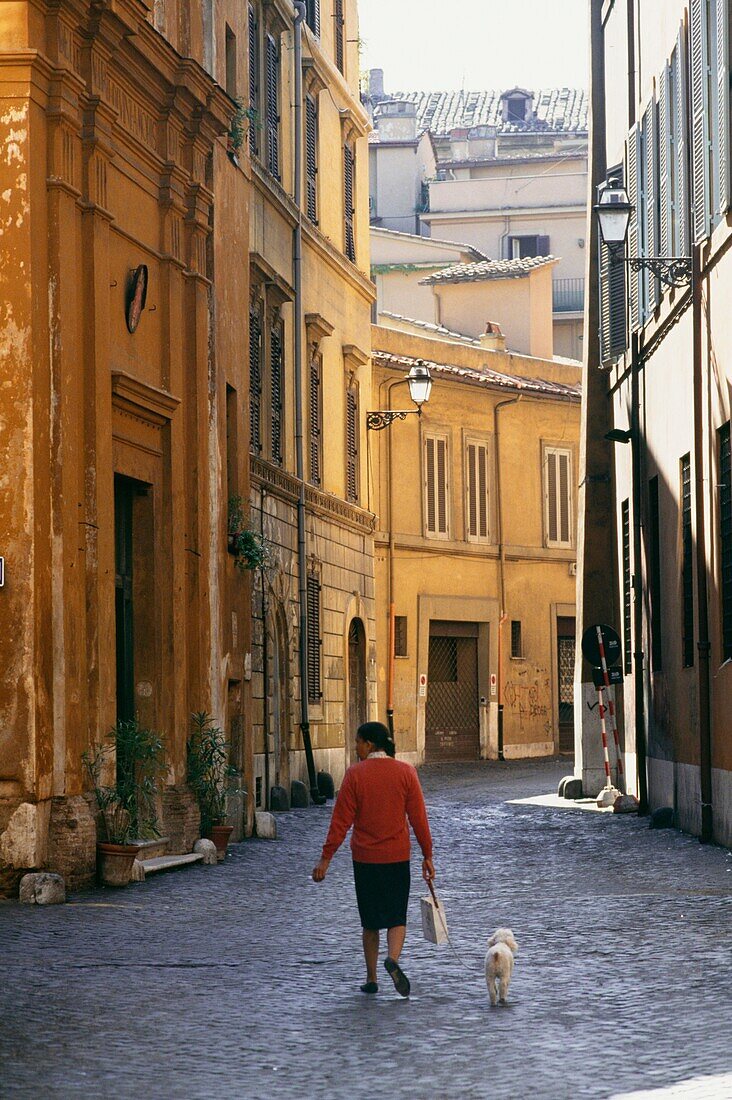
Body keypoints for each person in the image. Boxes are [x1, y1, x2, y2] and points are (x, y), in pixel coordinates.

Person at [312, 721, 435, 997]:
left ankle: (371, 977)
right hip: (396, 857)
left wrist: (325, 859)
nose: (356, 747)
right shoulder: (406, 773)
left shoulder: (355, 774)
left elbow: (340, 821)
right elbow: (419, 819)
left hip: (365, 859)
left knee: (369, 922)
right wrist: (427, 855)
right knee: (396, 917)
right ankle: (393, 958)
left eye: (358, 742)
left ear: (369, 744)